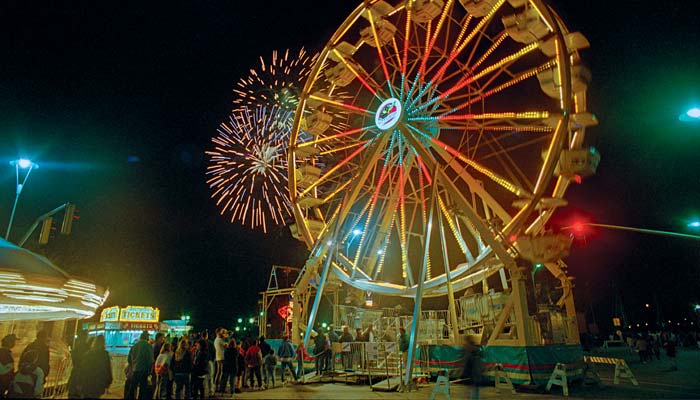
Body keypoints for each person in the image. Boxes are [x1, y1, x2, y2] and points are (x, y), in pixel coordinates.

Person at [127, 331, 154, 400]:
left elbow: (129, 358)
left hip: (135, 370)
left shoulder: (135, 345)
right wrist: (150, 370)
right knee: (143, 389)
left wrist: (132, 366)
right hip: (144, 370)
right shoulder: (147, 346)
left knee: (133, 388)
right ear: (147, 337)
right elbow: (150, 359)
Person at [213, 329, 226, 393]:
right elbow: (227, 345)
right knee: (220, 372)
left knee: (219, 372)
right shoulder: (219, 340)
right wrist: (227, 337)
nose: (223, 333)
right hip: (221, 357)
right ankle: (218, 387)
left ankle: (217, 387)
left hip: (218, 357)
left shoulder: (217, 339)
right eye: (222, 332)